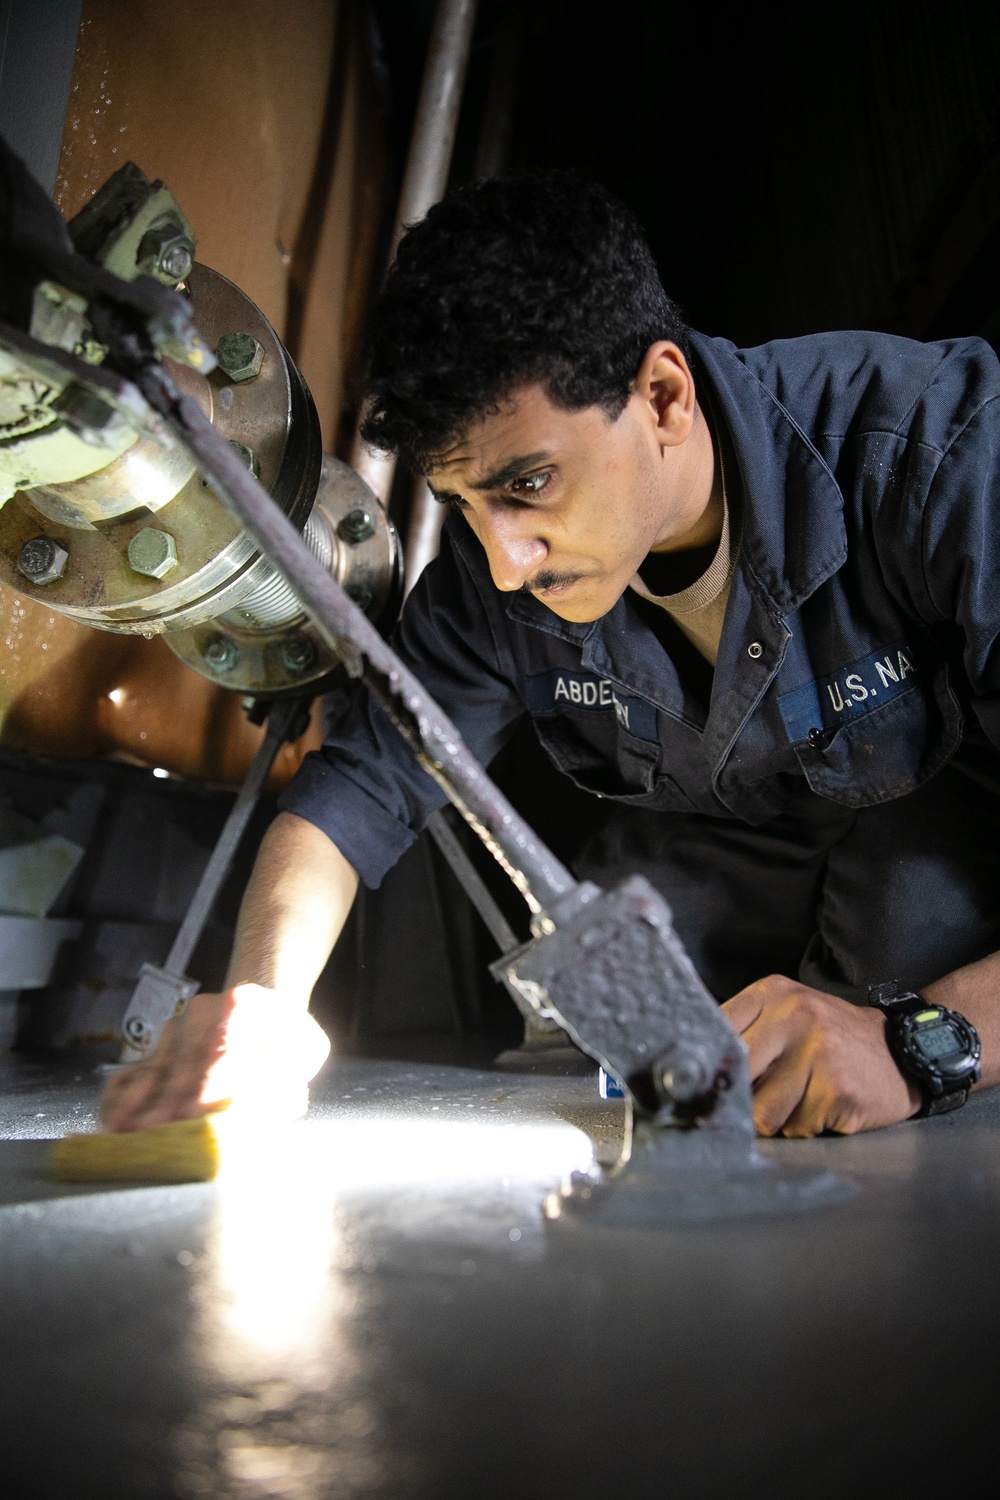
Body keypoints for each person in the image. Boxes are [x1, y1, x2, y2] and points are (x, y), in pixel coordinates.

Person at [102, 174, 1000, 1139]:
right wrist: (263, 1007)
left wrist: (924, 1044)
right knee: (610, 996)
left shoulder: (933, 455)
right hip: (746, 849)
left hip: (956, 828)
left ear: (662, 395)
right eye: (463, 504)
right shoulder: (490, 588)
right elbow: (359, 794)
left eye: (529, 484)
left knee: (897, 961)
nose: (503, 559)